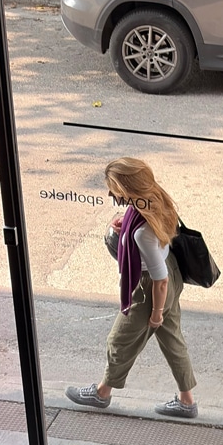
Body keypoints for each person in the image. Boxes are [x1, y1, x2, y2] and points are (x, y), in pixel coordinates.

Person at [65, 156, 199, 419]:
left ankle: (102, 393)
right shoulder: (156, 199)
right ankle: (187, 402)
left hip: (153, 288)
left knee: (119, 340)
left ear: (127, 189)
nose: (110, 193)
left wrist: (156, 312)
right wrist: (122, 227)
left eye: (114, 189)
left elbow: (158, 279)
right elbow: (159, 236)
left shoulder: (142, 232)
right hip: (172, 274)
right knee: (172, 342)